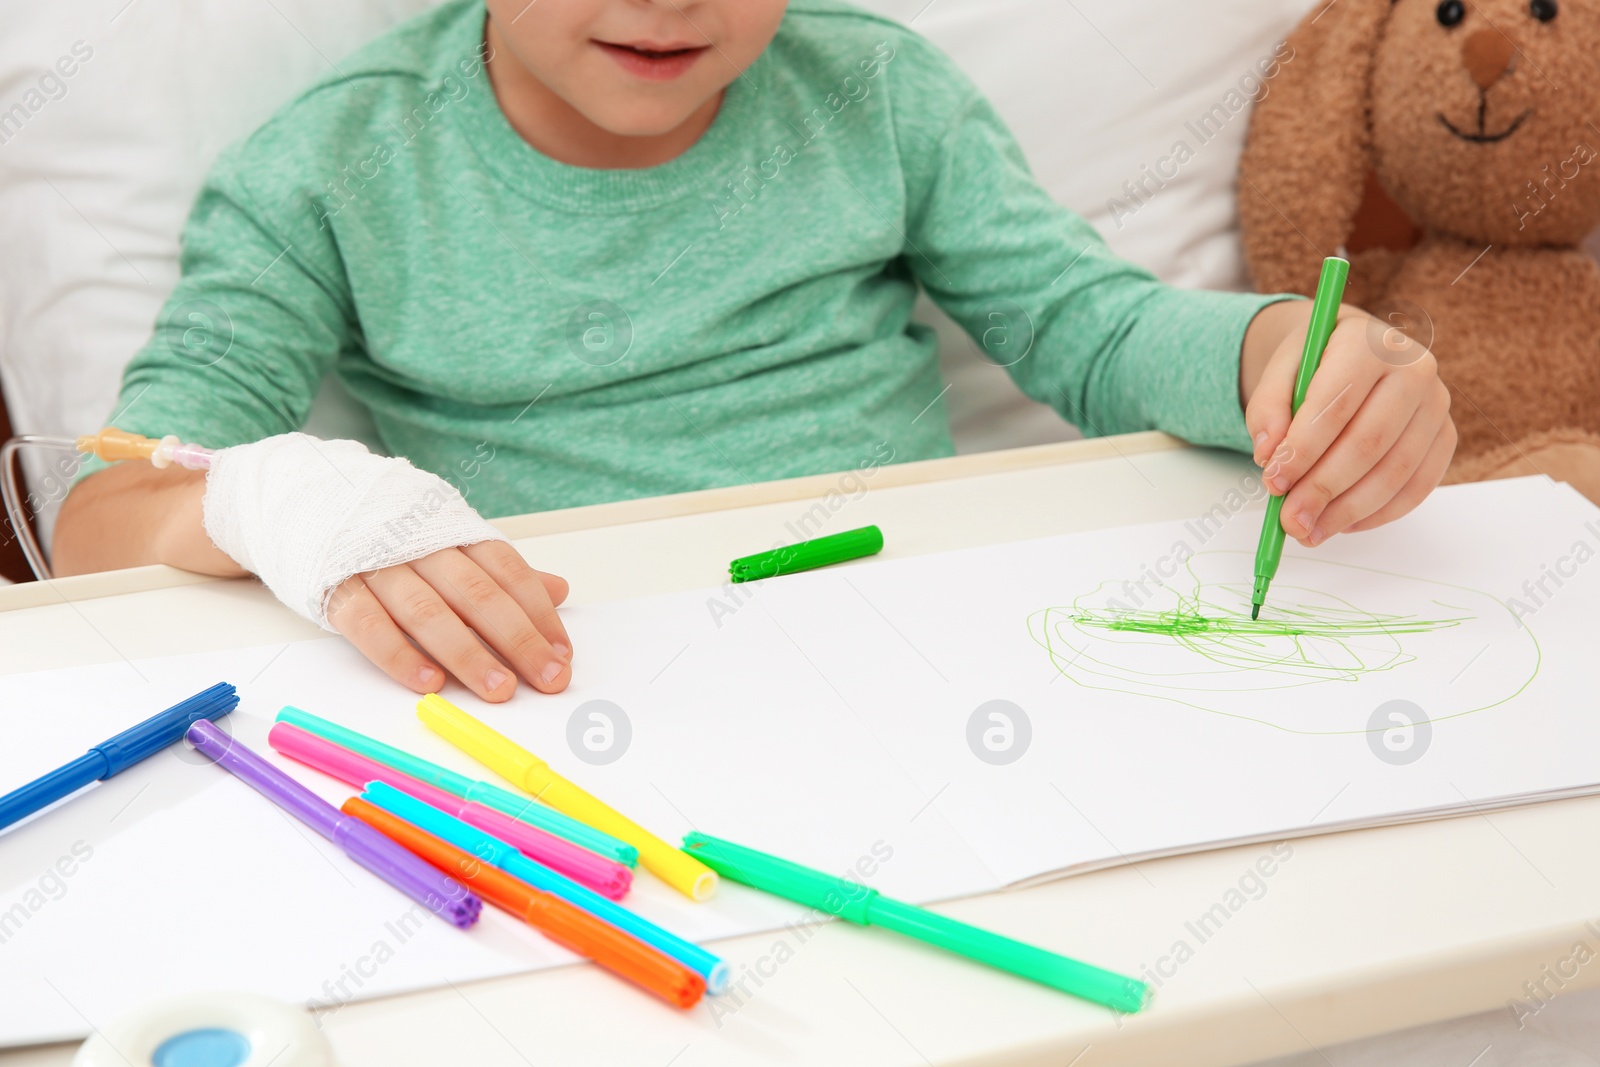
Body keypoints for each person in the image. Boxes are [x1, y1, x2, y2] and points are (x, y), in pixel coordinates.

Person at [52, 0, 1456, 703]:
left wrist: (1284, 350)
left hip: (935, 656)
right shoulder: (328, 170)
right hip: (572, 688)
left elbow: (1090, 324)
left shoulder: (877, 92)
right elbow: (111, 511)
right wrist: (273, 498)